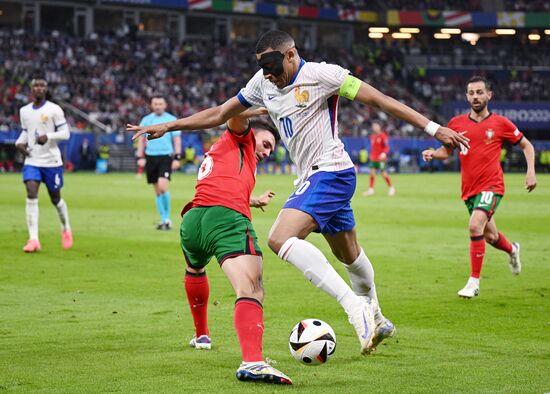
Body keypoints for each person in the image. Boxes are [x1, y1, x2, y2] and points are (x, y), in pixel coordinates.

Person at [127, 30, 469, 354]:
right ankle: (376, 315)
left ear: (291, 54)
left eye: (275, 68)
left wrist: (434, 128)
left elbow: (379, 100)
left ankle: (354, 308)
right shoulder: (262, 82)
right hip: (314, 176)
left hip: (331, 170)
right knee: (349, 255)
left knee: (279, 238)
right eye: (264, 69)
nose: (271, 76)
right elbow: (220, 113)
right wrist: (170, 125)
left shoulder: (324, 75)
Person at [179, 108, 291, 384]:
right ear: (252, 132)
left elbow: (224, 183)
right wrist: (257, 106)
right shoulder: (241, 135)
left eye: (271, 150)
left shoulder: (228, 150)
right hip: (225, 219)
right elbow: (235, 114)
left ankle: (202, 335)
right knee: (251, 288)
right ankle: (252, 361)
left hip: (193, 220)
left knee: (194, 269)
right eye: (266, 143)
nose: (266, 152)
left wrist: (252, 200)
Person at [422, 76, 537, 298]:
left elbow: (526, 145)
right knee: (490, 236)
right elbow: (447, 151)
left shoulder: (501, 123)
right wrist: (433, 154)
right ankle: (513, 249)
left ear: (488, 95)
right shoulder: (456, 124)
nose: (475, 96)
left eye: (479, 92)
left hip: (492, 185)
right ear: (467, 96)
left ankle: (474, 283)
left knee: (475, 226)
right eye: (471, 93)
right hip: (469, 190)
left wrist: (530, 171)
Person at [15, 77, 73, 252]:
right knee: (31, 192)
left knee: (55, 198)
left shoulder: (54, 109)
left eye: (42, 86)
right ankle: (34, 239)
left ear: (46, 89)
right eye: (36, 86)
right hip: (32, 159)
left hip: (51, 161)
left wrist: (49, 136)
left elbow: (66, 133)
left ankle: (66, 228)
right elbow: (26, 132)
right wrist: (19, 143)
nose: (39, 88)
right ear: (31, 89)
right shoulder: (24, 111)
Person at [136, 96, 182, 230]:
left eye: (160, 103)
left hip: (165, 156)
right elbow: (141, 140)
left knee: (163, 187)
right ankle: (163, 220)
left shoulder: (171, 119)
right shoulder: (146, 120)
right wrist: (140, 156)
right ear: (151, 105)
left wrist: (177, 157)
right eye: (155, 104)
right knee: (157, 191)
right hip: (150, 157)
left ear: (165, 105)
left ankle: (167, 218)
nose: (158, 106)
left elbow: (177, 139)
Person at [363, 121, 395, 196]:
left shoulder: (383, 136)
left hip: (381, 159)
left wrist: (384, 153)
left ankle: (391, 188)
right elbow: (373, 148)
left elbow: (387, 147)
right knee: (372, 173)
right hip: (373, 158)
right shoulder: (372, 136)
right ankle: (371, 190)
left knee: (383, 173)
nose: (374, 127)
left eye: (376, 126)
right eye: (373, 126)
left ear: (379, 127)